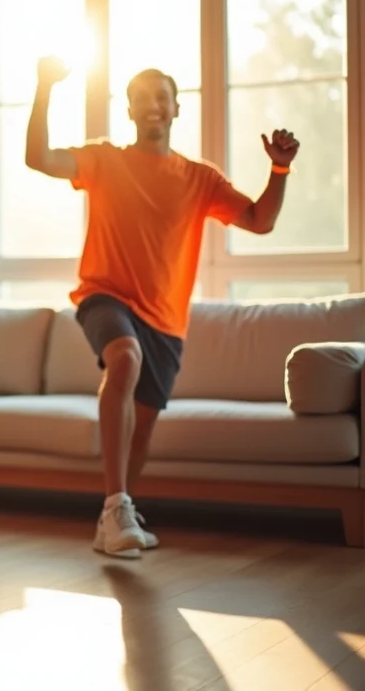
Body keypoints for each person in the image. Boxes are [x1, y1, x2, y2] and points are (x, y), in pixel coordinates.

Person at [26, 56, 300, 558]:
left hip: (166, 319)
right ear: (129, 109)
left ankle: (117, 514)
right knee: (124, 358)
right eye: (142, 97)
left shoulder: (199, 179)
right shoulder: (104, 160)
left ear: (176, 109)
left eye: (162, 97)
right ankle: (115, 507)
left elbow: (261, 221)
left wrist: (279, 168)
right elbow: (39, 157)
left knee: (145, 422)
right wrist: (44, 87)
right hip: (103, 296)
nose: (153, 105)